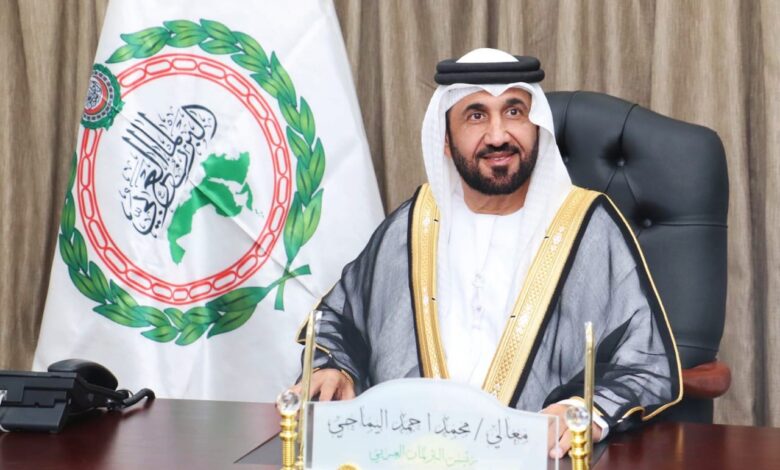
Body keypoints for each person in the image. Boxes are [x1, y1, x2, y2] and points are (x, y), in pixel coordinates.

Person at [293, 48, 682, 458]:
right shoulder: (416, 223)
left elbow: (645, 361)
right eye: (476, 116)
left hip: (539, 458)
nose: (498, 136)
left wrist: (582, 411)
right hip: (410, 453)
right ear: (445, 140)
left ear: (537, 126)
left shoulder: (587, 225)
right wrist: (334, 366)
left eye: (514, 112)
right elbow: (340, 318)